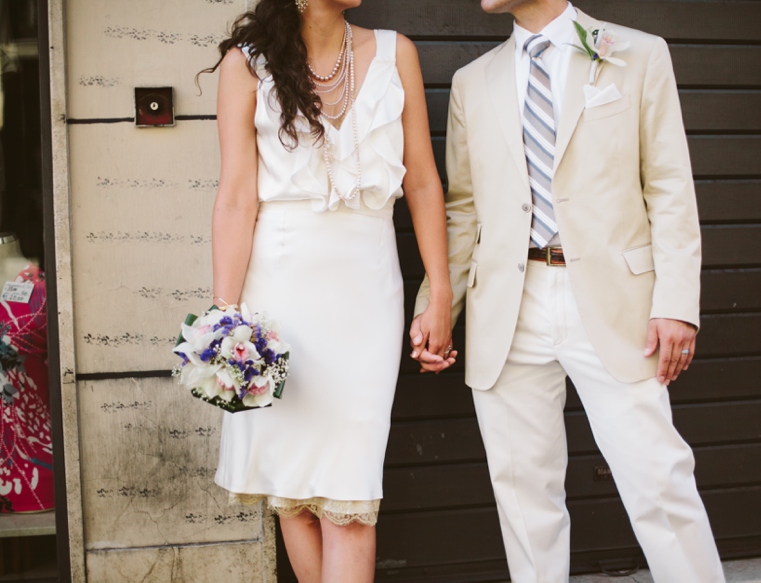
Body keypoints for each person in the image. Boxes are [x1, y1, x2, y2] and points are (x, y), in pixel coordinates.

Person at [410, 0, 725, 581]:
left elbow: (670, 187)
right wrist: (438, 304)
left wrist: (676, 302)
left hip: (615, 304)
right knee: (525, 500)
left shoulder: (638, 53)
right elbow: (462, 210)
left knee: (659, 481)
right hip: (506, 306)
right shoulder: (471, 82)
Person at [200, 0, 454, 580]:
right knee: (295, 492)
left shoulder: (396, 53)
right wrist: (225, 317)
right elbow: (237, 197)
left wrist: (439, 292)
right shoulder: (245, 66)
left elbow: (421, 180)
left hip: (367, 289)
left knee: (350, 496)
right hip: (279, 291)